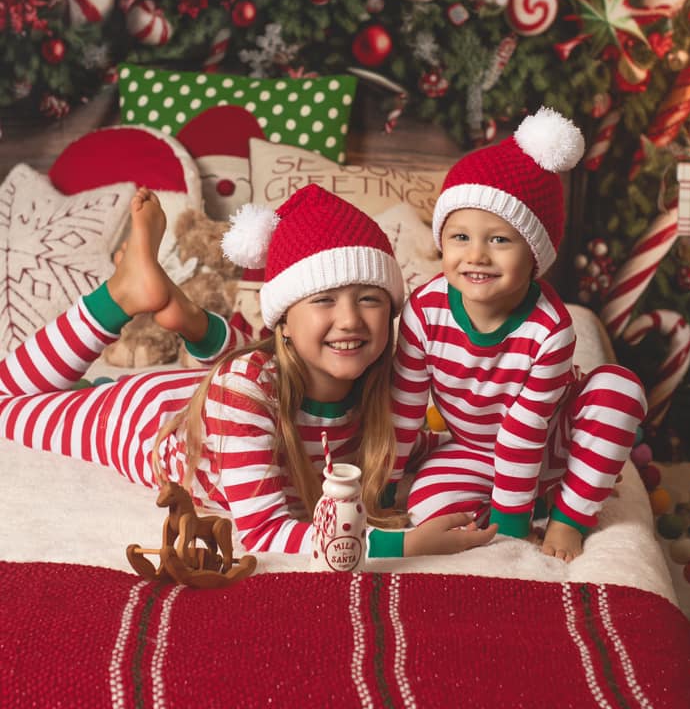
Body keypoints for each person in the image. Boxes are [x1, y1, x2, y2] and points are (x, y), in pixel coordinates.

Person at [0, 183, 497, 561]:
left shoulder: (387, 390)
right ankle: (122, 295)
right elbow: (265, 533)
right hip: (138, 418)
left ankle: (194, 322)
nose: (350, 320)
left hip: (216, 396)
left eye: (369, 299)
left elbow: (434, 448)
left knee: (258, 366)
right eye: (324, 299)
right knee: (4, 398)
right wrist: (403, 545)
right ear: (282, 318)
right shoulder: (243, 390)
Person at [390, 107, 647, 562]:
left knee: (618, 388)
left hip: (552, 441)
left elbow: (524, 431)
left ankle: (567, 513)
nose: (477, 256)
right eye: (460, 237)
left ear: (535, 256)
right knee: (426, 508)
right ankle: (536, 499)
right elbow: (405, 406)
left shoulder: (550, 327)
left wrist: (511, 527)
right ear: (441, 241)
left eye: (500, 240)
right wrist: (385, 485)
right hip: (472, 447)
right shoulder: (424, 310)